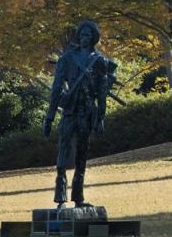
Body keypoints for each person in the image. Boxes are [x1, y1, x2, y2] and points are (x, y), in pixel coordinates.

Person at [43, 19, 109, 207]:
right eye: (81, 35)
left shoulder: (99, 61)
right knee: (62, 155)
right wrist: (49, 117)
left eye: (88, 35)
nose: (84, 38)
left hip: (87, 111)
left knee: (81, 155)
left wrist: (100, 117)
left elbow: (102, 92)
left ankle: (78, 197)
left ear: (93, 38)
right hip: (69, 111)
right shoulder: (67, 59)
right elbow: (56, 89)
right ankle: (60, 198)